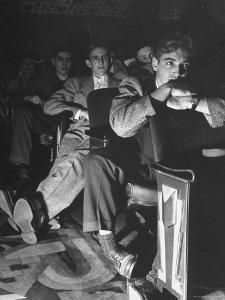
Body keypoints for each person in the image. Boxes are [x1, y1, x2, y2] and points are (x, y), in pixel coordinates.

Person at [80, 32, 225, 280]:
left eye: (184, 66)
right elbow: (121, 126)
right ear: (155, 64)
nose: (178, 72)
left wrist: (193, 102)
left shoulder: (193, 88)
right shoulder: (134, 84)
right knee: (96, 160)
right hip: (140, 163)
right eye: (170, 63)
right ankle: (109, 244)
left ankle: (165, 270)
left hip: (180, 165)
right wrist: (164, 93)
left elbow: (221, 114)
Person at [7, 44, 119, 244]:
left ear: (111, 60)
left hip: (105, 135)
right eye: (95, 58)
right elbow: (50, 106)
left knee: (76, 162)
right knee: (62, 167)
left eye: (104, 57)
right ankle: (40, 218)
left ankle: (33, 207)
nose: (100, 62)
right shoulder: (77, 83)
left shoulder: (122, 84)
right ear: (88, 62)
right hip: (77, 132)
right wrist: (79, 112)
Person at [8, 46, 73, 192]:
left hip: (66, 123)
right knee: (22, 113)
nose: (64, 63)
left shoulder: (76, 80)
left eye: (68, 60)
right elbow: (18, 99)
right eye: (60, 59)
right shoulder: (42, 79)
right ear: (54, 61)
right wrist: (29, 97)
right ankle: (22, 168)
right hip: (44, 121)